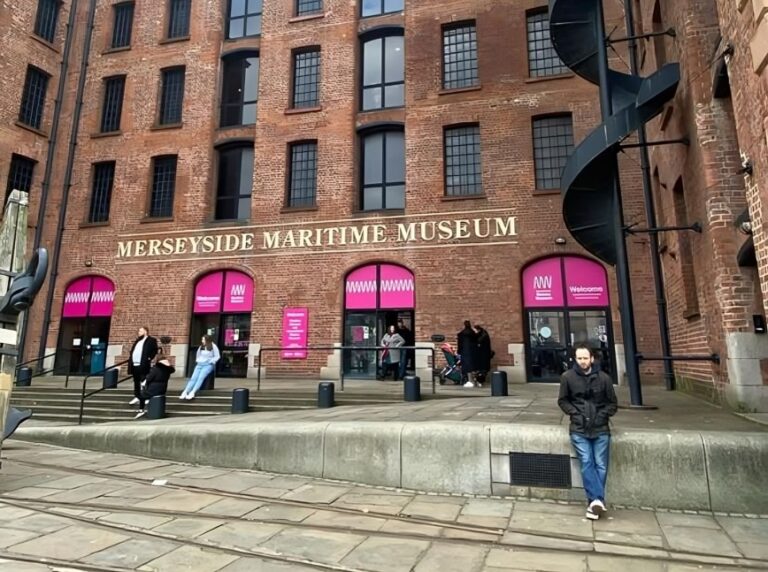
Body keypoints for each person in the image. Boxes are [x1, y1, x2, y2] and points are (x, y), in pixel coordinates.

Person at [557, 343, 618, 520]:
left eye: (585, 358)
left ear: (592, 358)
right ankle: (597, 500)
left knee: (600, 464)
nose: (583, 361)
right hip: (579, 427)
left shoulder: (604, 378)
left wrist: (601, 416)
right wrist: (575, 414)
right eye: (579, 358)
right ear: (575, 359)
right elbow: (563, 401)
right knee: (586, 462)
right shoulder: (567, 377)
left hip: (600, 428)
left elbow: (612, 403)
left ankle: (594, 502)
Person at [135, 349, 175, 419]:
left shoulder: (155, 368)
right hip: (163, 389)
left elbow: (149, 378)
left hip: (153, 390)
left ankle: (141, 410)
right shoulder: (167, 370)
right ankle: (146, 400)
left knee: (140, 394)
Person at [180, 335, 220, 400]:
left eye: (203, 339)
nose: (202, 341)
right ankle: (185, 391)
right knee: (193, 378)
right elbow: (198, 355)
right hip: (199, 365)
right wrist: (198, 360)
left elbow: (217, 356)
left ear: (207, 340)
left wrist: (211, 361)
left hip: (208, 365)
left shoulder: (213, 346)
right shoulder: (201, 346)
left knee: (200, 378)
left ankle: (193, 392)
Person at [127, 327, 158, 407]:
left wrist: (149, 357)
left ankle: (146, 397)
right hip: (135, 364)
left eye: (140, 331)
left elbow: (155, 350)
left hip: (143, 364)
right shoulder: (138, 340)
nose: (139, 332)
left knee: (144, 380)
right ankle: (137, 396)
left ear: (145, 331)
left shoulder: (151, 340)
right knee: (136, 381)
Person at [457, 320, 477, 387]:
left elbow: (460, 343)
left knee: (466, 366)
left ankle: (468, 380)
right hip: (472, 351)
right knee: (472, 366)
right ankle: (473, 380)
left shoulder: (462, 334)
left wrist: (459, 351)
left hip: (464, 351)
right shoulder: (473, 333)